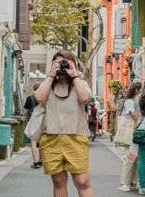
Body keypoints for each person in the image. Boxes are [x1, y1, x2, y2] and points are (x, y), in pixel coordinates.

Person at [35, 51, 94, 197]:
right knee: (58, 182)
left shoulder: (80, 83)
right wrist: (50, 75)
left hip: (76, 137)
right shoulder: (48, 84)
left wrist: (74, 75)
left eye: (65, 64)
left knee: (83, 181)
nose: (62, 68)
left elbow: (85, 99)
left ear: (72, 64)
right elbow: (40, 98)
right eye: (58, 64)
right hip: (51, 138)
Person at [118, 80, 142, 192]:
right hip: (130, 134)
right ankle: (123, 183)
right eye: (142, 90)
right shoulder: (129, 101)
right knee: (129, 158)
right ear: (137, 90)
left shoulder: (133, 101)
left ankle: (132, 182)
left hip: (135, 133)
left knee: (136, 158)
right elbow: (135, 116)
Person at [24, 82, 43, 169]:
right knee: (42, 142)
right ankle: (41, 160)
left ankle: (35, 162)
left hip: (33, 122)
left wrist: (27, 121)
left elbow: (26, 111)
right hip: (43, 123)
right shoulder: (44, 98)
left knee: (33, 143)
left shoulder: (30, 98)